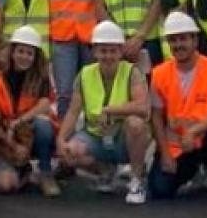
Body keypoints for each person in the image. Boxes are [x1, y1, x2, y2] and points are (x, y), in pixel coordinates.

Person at [148, 11, 207, 201]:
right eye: (173, 40)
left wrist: (194, 131)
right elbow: (156, 117)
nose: (178, 45)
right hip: (180, 146)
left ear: (195, 40)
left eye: (183, 39)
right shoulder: (159, 74)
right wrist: (165, 153)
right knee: (159, 189)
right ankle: (196, 171)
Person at [57, 20, 151, 205]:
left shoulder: (132, 72)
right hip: (96, 136)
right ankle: (105, 171)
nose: (108, 56)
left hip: (123, 138)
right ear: (94, 51)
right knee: (71, 152)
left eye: (113, 50)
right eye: (103, 50)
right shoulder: (84, 74)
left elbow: (143, 107)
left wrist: (111, 110)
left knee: (136, 123)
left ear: (120, 51)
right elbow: (73, 112)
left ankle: (136, 180)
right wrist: (61, 140)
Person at [0, 26, 59, 197]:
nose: (25, 57)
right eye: (21, 51)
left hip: (33, 134)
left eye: (30, 53)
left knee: (43, 124)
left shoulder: (41, 77)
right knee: (5, 187)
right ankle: (24, 171)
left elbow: (45, 104)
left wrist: (18, 121)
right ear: (12, 52)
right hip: (10, 141)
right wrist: (13, 145)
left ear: (36, 56)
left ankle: (45, 173)